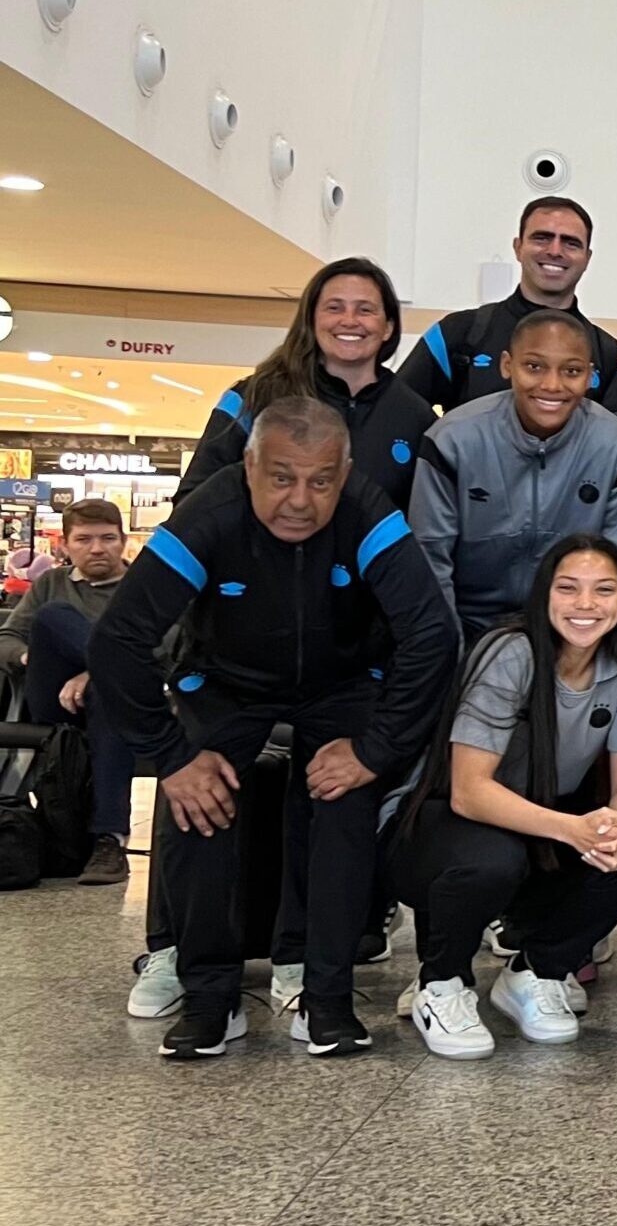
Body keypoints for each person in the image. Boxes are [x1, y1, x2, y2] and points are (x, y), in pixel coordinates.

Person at [89, 398, 457, 1059]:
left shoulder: (367, 509)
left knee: (343, 804)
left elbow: (431, 633)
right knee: (200, 806)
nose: (300, 500)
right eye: (281, 477)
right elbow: (120, 638)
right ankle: (209, 999)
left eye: (320, 481)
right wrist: (172, 757)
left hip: (340, 681)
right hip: (224, 681)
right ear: (250, 465)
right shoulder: (211, 510)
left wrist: (376, 749)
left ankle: (327, 1001)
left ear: (343, 473)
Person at [393, 536, 617, 1058]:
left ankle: (537, 970)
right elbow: (469, 793)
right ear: (544, 595)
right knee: (494, 856)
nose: (586, 605)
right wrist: (572, 829)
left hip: (540, 823)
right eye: (569, 589)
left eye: (603, 590)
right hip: (439, 828)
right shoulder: (511, 651)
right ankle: (441, 983)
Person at [410, 309, 617, 644]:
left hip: (568, 630)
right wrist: (452, 658)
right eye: (534, 367)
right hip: (469, 625)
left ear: (590, 376)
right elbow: (431, 561)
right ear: (507, 365)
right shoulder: (452, 441)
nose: (552, 385)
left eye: (572, 371)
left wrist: (573, 657)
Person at [176, 257, 435, 511]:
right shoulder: (254, 397)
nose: (349, 320)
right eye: (334, 308)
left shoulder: (415, 416)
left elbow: (427, 525)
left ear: (388, 327)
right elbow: (193, 501)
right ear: (311, 320)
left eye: (365, 310)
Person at [396, 197, 617, 413]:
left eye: (570, 242)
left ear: (587, 258)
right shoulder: (457, 334)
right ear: (518, 247)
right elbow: (398, 415)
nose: (555, 251)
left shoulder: (608, 354)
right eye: (542, 238)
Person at [0, 499, 135, 887]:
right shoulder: (52, 584)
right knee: (52, 617)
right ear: (66, 545)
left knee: (110, 693)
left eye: (108, 538)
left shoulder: (144, 587)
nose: (98, 548)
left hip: (115, 701)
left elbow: (165, 647)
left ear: (122, 541)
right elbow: (8, 636)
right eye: (85, 539)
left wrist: (94, 674)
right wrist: (28, 656)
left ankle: (108, 840)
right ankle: (108, 672)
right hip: (52, 696)